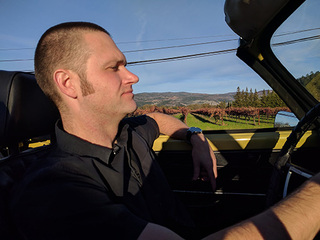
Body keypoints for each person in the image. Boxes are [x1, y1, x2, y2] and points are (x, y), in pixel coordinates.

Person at [9, 22, 320, 240]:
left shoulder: (130, 132)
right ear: (69, 83)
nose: (133, 76)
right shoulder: (53, 191)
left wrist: (195, 134)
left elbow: (159, 118)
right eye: (113, 67)